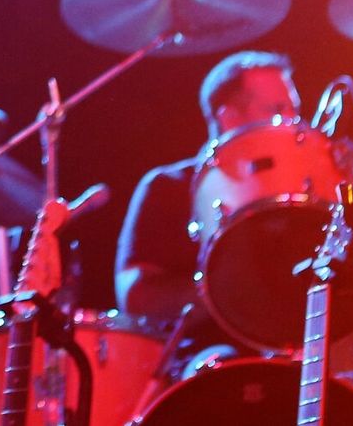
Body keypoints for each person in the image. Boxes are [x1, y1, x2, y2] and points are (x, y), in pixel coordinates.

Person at [113, 50, 302, 359]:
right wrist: (225, 290)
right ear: (229, 119)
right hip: (202, 362)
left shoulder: (301, 196)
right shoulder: (168, 186)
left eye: (295, 112)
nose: (292, 124)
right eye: (278, 110)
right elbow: (135, 298)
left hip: (296, 354)